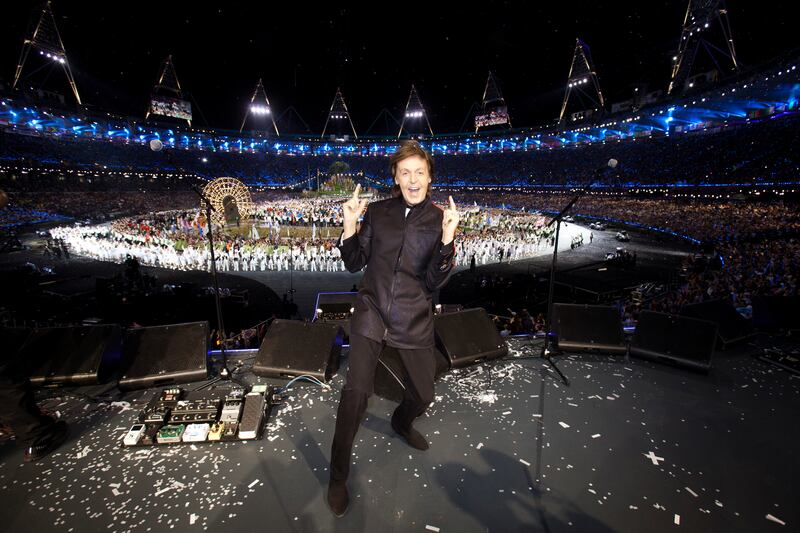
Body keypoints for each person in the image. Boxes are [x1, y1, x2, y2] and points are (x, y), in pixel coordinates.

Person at [327, 141, 459, 517]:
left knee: (424, 393)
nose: (413, 179)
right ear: (396, 177)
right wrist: (350, 224)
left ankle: (402, 421)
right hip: (371, 314)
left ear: (430, 177)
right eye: (405, 172)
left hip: (414, 318)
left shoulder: (440, 220)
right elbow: (354, 262)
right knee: (355, 394)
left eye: (420, 172)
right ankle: (337, 477)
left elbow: (436, 281)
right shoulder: (379, 212)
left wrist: (448, 239)